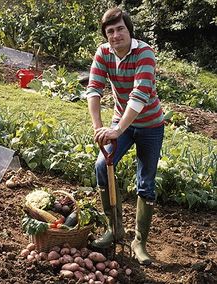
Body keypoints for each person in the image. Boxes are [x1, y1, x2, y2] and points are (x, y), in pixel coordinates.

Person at [85, 7, 165, 265]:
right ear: (106, 35)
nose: (116, 35)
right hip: (122, 123)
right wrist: (100, 129)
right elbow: (94, 89)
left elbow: (140, 95)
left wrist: (118, 129)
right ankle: (115, 229)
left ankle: (139, 242)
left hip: (150, 126)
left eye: (120, 29)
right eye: (110, 31)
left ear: (129, 30)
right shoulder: (103, 53)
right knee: (101, 165)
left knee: (146, 183)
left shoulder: (145, 53)